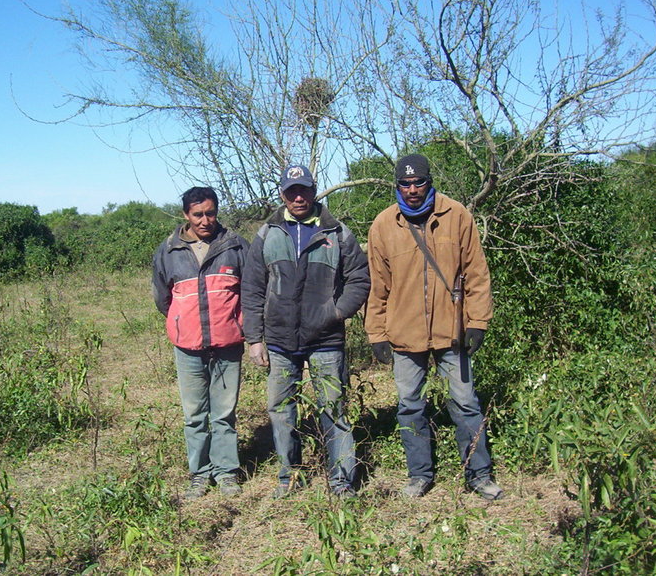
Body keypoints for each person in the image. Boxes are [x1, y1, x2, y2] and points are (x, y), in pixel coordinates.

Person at [365, 154, 504, 500]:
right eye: (405, 184)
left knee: (466, 402)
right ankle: (419, 475)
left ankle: (479, 474)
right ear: (396, 186)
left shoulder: (457, 216)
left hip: (451, 329)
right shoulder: (383, 225)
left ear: (430, 181)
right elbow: (377, 286)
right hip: (404, 333)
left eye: (419, 182)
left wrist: (478, 322)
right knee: (410, 405)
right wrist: (377, 332)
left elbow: (477, 273)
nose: (412, 190)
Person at [242, 165, 370, 499]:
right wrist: (255, 338)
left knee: (334, 409)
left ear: (315, 190)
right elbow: (252, 288)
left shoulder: (337, 233)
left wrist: (336, 312)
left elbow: (359, 278)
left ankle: (341, 480)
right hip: (281, 342)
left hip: (326, 340)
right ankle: (289, 476)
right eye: (292, 190)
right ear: (282, 193)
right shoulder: (268, 234)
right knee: (281, 410)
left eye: (305, 190)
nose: (299, 197)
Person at [152, 187, 249, 499]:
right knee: (194, 415)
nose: (205, 220)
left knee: (224, 413)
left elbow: (252, 293)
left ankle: (227, 473)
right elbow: (162, 299)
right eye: (197, 214)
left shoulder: (235, 246)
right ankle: (199, 474)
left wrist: (238, 324)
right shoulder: (168, 251)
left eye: (210, 213)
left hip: (227, 344)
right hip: (187, 347)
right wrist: (184, 322)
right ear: (185, 215)